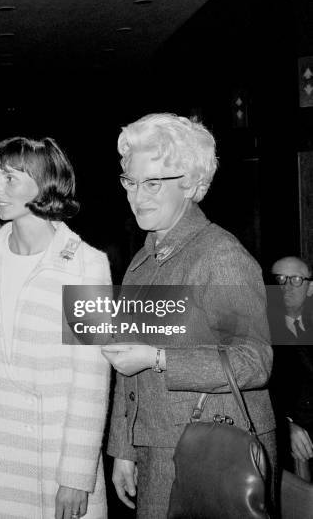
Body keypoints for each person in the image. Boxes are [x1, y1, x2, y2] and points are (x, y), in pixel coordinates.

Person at [103, 113, 276, 518]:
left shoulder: (220, 256)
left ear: (193, 185)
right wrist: (125, 450)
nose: (136, 196)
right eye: (130, 181)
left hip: (214, 452)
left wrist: (158, 358)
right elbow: (125, 364)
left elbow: (255, 361)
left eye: (153, 183)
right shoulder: (144, 260)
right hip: (159, 448)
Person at [0, 137, 111, 519]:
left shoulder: (85, 265)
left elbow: (91, 381)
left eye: (10, 179)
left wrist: (77, 475)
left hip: (59, 461)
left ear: (45, 184)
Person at [269, 256, 313, 480]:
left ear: (310, 288)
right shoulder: (258, 335)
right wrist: (288, 428)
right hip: (286, 452)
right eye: (279, 279)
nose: (286, 286)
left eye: (295, 279)